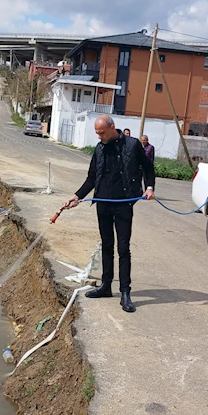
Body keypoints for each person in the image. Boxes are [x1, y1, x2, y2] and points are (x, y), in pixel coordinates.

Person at [64, 115, 155, 313]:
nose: (100, 136)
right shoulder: (99, 148)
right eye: (97, 133)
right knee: (106, 245)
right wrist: (77, 196)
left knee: (123, 248)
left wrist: (149, 188)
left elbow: (148, 167)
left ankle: (125, 292)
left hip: (123, 203)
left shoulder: (132, 145)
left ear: (113, 128)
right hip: (103, 202)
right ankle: (106, 286)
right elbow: (91, 178)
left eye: (102, 132)